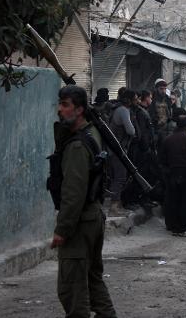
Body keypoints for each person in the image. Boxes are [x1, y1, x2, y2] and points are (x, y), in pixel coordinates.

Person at [52, 85, 116, 318]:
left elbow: (73, 192)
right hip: (93, 216)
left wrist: (62, 229)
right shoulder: (92, 133)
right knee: (93, 281)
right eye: (60, 104)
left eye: (65, 105)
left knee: (72, 289)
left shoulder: (78, 145)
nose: (60, 110)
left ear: (79, 110)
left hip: (80, 222)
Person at [158, 115, 186, 237]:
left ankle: (174, 226)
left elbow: (161, 158)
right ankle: (184, 227)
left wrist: (167, 170)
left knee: (173, 199)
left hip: (172, 173)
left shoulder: (168, 139)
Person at [109, 89, 137, 216]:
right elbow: (131, 131)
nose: (137, 101)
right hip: (117, 149)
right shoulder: (123, 111)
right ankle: (114, 208)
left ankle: (117, 205)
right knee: (120, 177)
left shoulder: (119, 109)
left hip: (116, 148)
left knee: (119, 177)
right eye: (135, 99)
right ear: (129, 100)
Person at [148, 78, 172, 149]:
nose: (163, 91)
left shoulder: (167, 99)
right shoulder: (152, 100)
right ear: (156, 89)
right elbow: (151, 115)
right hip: (156, 129)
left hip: (166, 129)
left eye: (165, 89)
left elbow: (169, 113)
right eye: (161, 89)